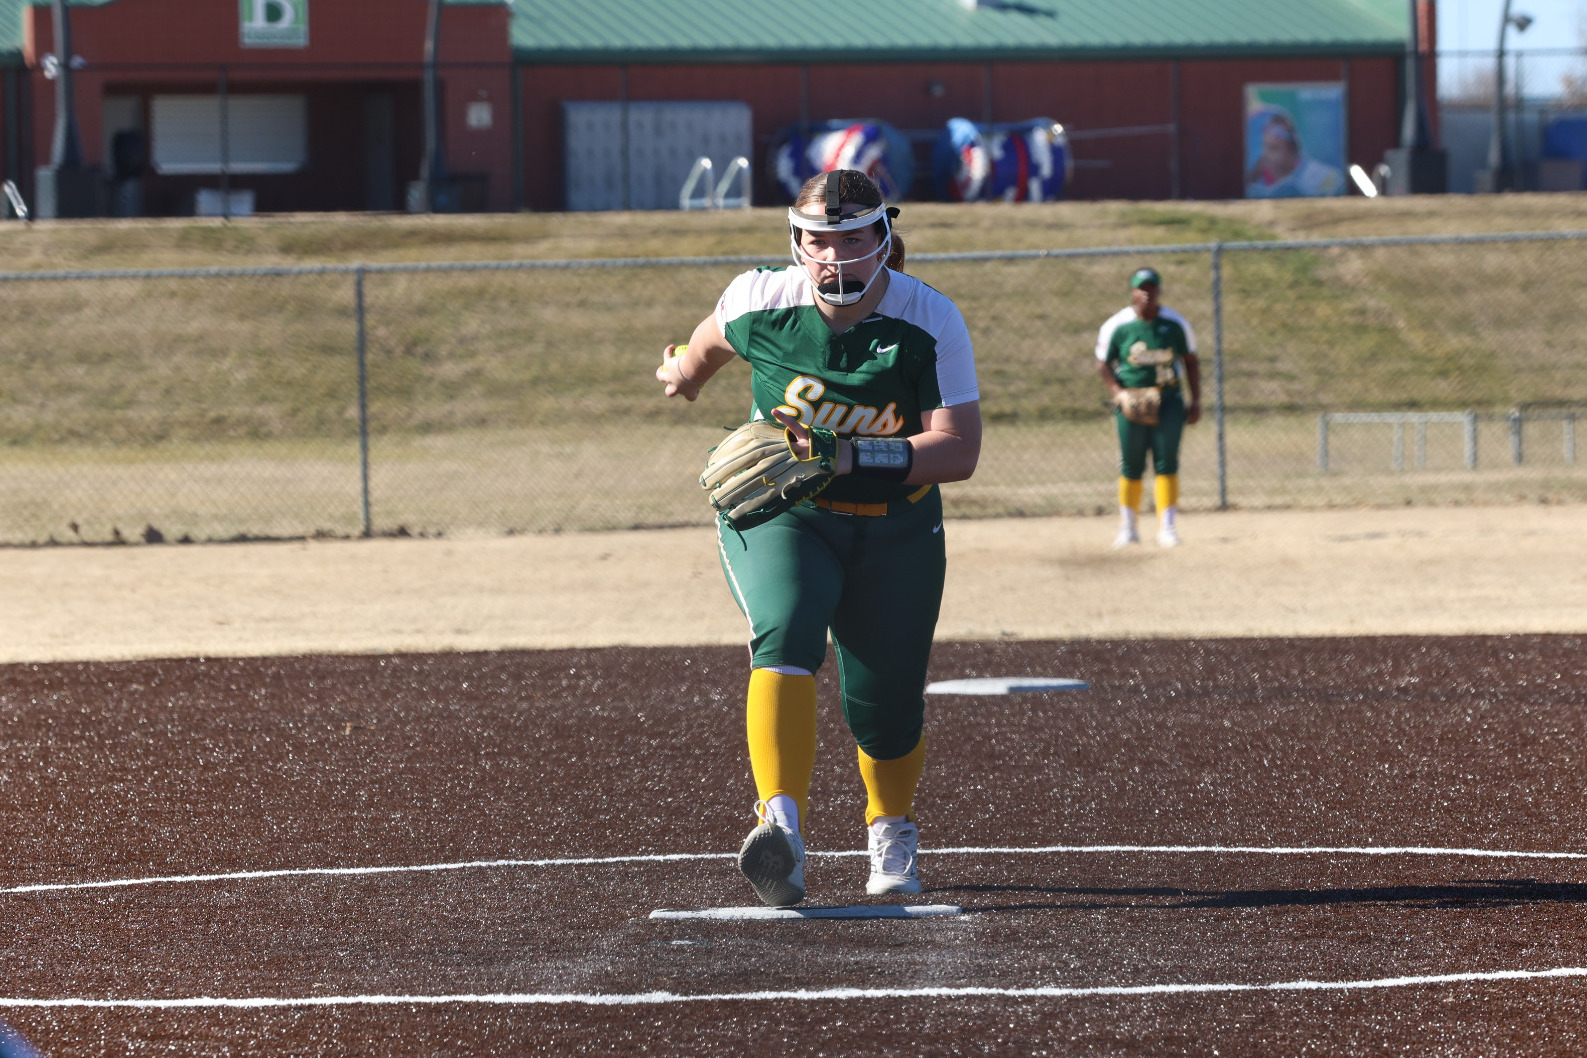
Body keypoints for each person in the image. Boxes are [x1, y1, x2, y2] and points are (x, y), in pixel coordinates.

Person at [655, 169, 981, 907]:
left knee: (884, 703)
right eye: (816, 241)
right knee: (786, 633)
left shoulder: (929, 319)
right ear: (795, 244)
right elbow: (706, 346)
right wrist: (681, 375)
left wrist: (849, 454)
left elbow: (958, 450)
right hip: (785, 513)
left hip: (896, 525)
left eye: (851, 239)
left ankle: (890, 826)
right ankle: (781, 828)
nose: (833, 257)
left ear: (883, 239)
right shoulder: (758, 298)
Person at [1095, 267, 1200, 548]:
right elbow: (1103, 362)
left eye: (1151, 287)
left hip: (1168, 400)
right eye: (1141, 287)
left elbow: (1190, 361)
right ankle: (1128, 528)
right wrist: (1118, 393)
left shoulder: (1175, 324)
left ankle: (1167, 527)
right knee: (1131, 464)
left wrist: (1196, 400)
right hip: (1132, 402)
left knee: (1167, 462)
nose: (1146, 292)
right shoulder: (1118, 326)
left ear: (1158, 291)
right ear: (1132, 292)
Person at [1245, 109, 1344, 199]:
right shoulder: (1254, 183)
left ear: (1293, 145)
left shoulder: (1325, 179)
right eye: (1270, 148)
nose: (1273, 137)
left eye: (1280, 134)